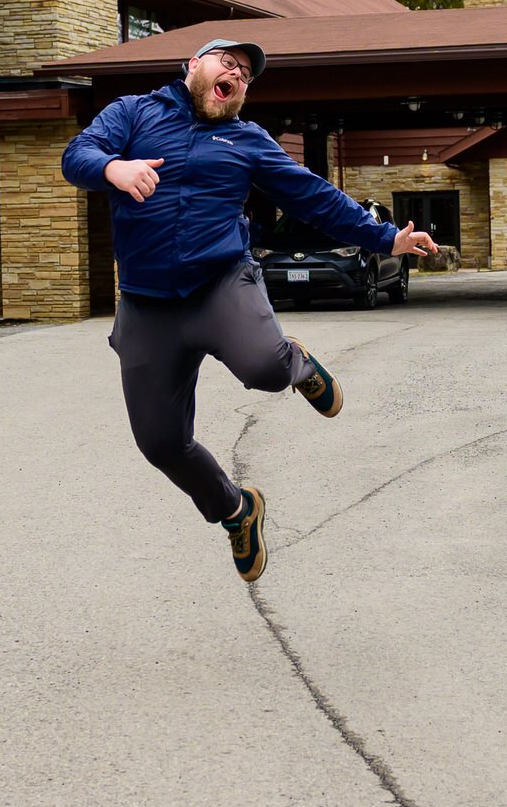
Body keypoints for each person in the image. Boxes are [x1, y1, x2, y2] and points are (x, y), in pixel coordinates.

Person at [62, 38, 435, 583]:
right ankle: (238, 510)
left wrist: (386, 239)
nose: (235, 75)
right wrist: (114, 169)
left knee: (263, 368)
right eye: (225, 63)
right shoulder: (132, 113)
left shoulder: (246, 139)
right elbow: (77, 155)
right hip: (146, 304)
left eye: (244, 75)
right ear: (193, 66)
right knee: (161, 442)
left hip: (220, 283)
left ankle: (294, 362)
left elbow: (312, 196)